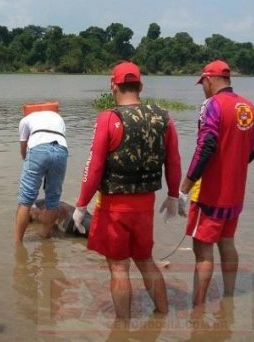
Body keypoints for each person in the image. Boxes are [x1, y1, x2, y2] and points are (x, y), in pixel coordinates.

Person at [72, 61, 182, 320]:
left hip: (114, 207)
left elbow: (95, 167)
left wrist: (80, 205)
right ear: (140, 86)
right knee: (145, 260)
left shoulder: (108, 118)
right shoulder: (163, 117)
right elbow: (174, 161)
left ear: (113, 86)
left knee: (119, 268)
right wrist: (174, 195)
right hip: (145, 206)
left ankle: (122, 328)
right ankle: (162, 315)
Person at [178, 59, 254, 308]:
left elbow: (206, 146)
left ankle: (197, 308)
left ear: (209, 80)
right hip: (236, 194)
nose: (203, 88)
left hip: (210, 194)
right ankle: (229, 299)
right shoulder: (250, 107)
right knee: (227, 242)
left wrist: (184, 187)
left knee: (202, 252)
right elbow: (251, 154)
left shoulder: (211, 105)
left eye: (202, 83)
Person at [14, 101, 69, 242]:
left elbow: (24, 150)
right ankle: (44, 237)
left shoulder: (25, 120)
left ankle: (17, 242)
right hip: (61, 150)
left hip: (38, 149)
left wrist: (30, 164)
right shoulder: (58, 118)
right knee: (53, 199)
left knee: (25, 201)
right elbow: (58, 139)